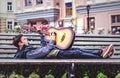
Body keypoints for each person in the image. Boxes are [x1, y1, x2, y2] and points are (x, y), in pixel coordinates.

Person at [13, 33, 115, 59]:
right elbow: (44, 51)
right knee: (76, 53)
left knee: (76, 49)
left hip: (54, 52)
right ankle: (100, 56)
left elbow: (42, 49)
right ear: (20, 43)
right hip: (56, 55)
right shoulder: (27, 54)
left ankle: (100, 52)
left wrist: (42, 36)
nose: (27, 40)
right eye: (24, 39)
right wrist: (52, 40)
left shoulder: (27, 50)